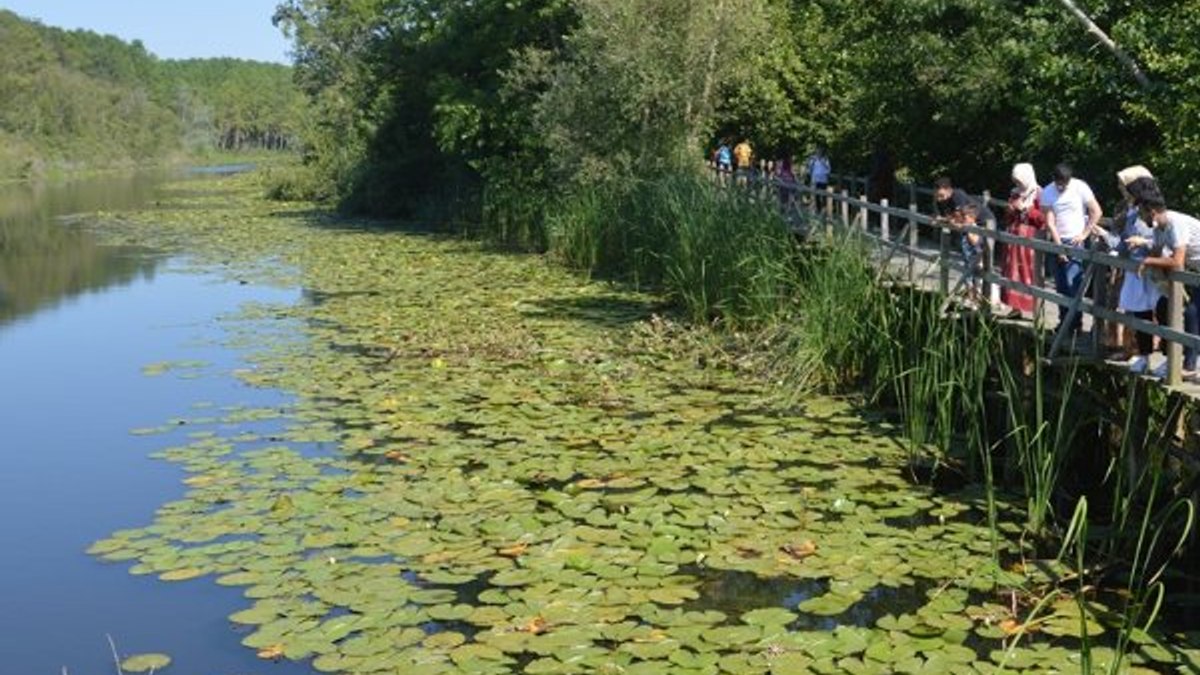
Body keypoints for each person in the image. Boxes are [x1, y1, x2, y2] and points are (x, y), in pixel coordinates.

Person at [1095, 168, 1162, 373]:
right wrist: (1104, 234)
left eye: (1123, 184)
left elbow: (1161, 241)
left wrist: (1143, 242)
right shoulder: (1129, 209)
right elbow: (1122, 243)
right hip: (1132, 269)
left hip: (1151, 270)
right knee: (1136, 313)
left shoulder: (1154, 209)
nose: (1119, 188)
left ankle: (1163, 359)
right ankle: (1139, 354)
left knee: (1158, 314)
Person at [1134, 197, 1200, 379]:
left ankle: (1190, 365)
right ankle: (1186, 360)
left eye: (1142, 213)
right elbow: (1157, 253)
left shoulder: (1175, 223)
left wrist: (1148, 261)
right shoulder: (1158, 229)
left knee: (1192, 314)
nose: (1140, 217)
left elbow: (1177, 261)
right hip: (1196, 270)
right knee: (1167, 307)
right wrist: (1152, 263)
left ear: (1152, 212)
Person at [1041, 163, 1103, 334]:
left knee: (1073, 282)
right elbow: (1050, 222)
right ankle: (1065, 322)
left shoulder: (1080, 187)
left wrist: (1084, 234)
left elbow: (1096, 211)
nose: (1062, 187)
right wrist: (1059, 247)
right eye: (1059, 184)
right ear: (1054, 180)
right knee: (1060, 284)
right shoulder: (1047, 192)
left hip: (1075, 241)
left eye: (1065, 184)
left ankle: (1075, 323)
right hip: (1057, 239)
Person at [1001, 163, 1044, 314]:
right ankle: (1015, 308)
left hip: (1029, 240)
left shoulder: (1039, 194)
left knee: (1028, 273)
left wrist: (1026, 209)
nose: (1017, 184)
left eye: (1019, 180)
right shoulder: (1015, 193)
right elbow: (1008, 218)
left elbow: (1043, 220)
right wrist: (1011, 210)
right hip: (1014, 237)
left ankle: (1033, 309)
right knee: (1013, 271)